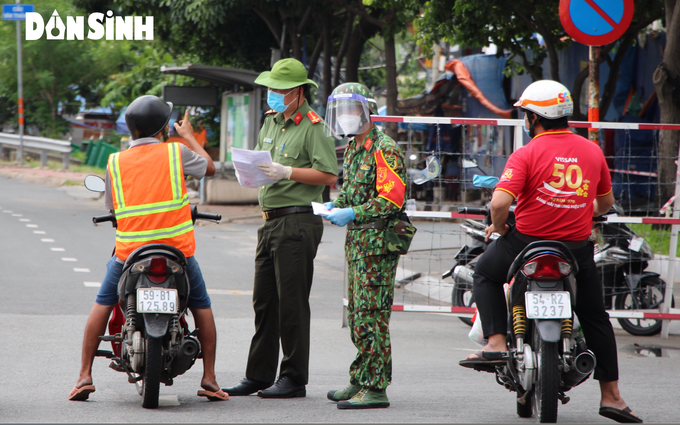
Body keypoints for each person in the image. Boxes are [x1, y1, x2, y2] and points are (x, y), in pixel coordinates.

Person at [458, 80, 642, 423]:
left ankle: (496, 342)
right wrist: (580, 209)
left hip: (527, 242)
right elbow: (605, 202)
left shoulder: (526, 153)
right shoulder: (591, 151)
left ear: (533, 118)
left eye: (526, 115)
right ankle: (612, 396)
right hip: (575, 250)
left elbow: (500, 202)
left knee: (483, 272)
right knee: (594, 316)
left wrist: (499, 227)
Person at [69, 96, 228, 402]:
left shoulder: (115, 161)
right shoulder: (176, 152)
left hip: (130, 253)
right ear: (162, 129)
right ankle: (209, 378)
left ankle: (84, 376)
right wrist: (190, 137)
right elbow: (209, 168)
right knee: (201, 306)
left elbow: (113, 208)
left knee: (102, 303)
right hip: (177, 251)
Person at [222, 58, 338, 398]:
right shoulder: (270, 122)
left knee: (291, 303)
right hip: (270, 220)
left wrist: (288, 172)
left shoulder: (314, 126)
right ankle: (258, 374)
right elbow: (262, 163)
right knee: (265, 302)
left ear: (299, 91)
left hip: (297, 220)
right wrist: (253, 175)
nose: (273, 94)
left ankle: (293, 377)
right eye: (271, 88)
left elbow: (329, 174)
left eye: (279, 89)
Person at [322, 83, 406, 409]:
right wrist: (335, 206)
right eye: (340, 111)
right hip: (357, 244)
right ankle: (360, 377)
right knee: (357, 316)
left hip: (377, 245)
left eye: (350, 109)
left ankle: (376, 387)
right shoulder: (356, 148)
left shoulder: (383, 148)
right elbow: (350, 192)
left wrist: (354, 212)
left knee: (371, 317)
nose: (345, 116)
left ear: (365, 110)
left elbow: (391, 199)